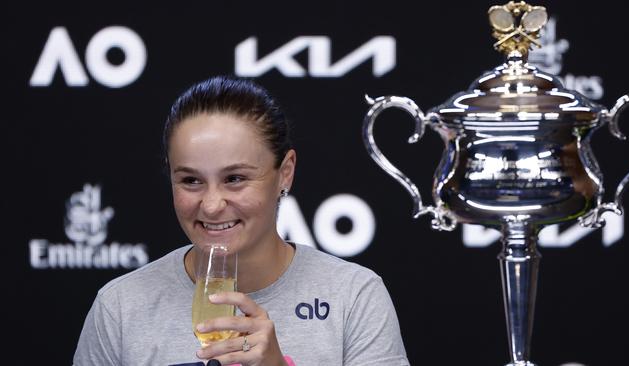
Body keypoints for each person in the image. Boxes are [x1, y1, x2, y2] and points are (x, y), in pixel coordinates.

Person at [73, 76, 410, 366]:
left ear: (285, 174)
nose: (212, 204)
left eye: (235, 178)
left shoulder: (353, 297)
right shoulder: (120, 306)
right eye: (191, 180)